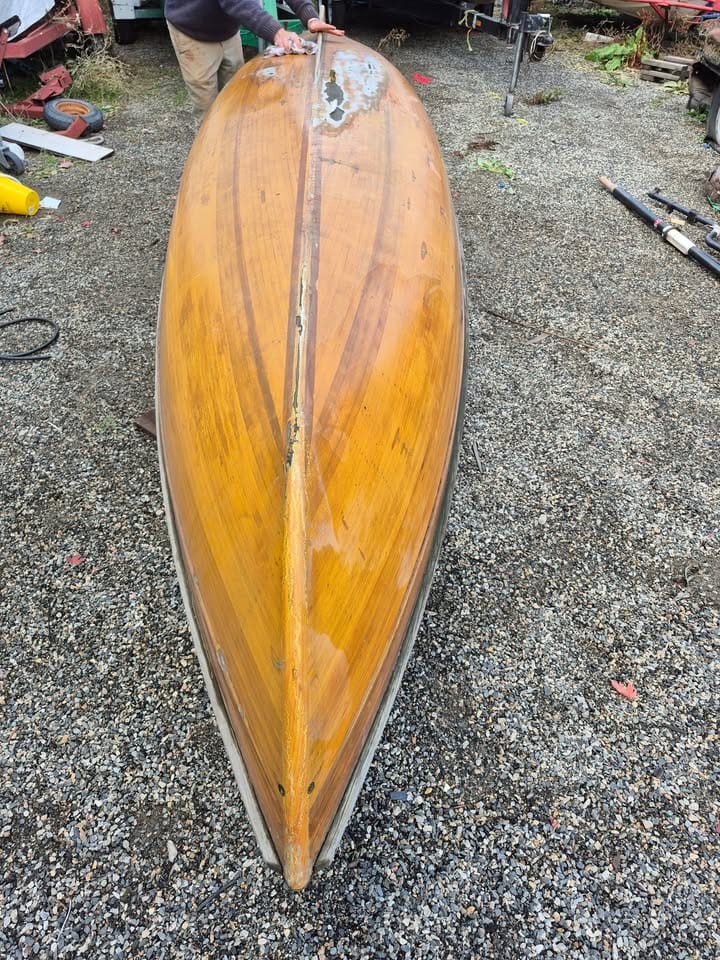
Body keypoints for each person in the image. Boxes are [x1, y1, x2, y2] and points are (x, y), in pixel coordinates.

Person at [164, 0, 345, 117]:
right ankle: (211, 163)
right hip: (191, 25)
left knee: (236, 92)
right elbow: (235, 2)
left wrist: (310, 18)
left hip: (225, 27)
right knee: (207, 106)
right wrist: (276, 32)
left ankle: (236, 149)